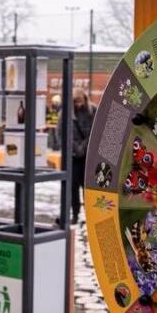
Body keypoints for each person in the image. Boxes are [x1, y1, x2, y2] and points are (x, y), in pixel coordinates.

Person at [70, 87, 96, 224]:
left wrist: (83, 147)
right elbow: (63, 134)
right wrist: (76, 148)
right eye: (75, 102)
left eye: (79, 101)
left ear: (85, 99)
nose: (78, 105)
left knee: (87, 188)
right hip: (73, 157)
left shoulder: (93, 111)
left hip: (88, 157)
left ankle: (89, 215)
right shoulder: (66, 114)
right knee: (73, 186)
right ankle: (75, 213)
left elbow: (95, 132)